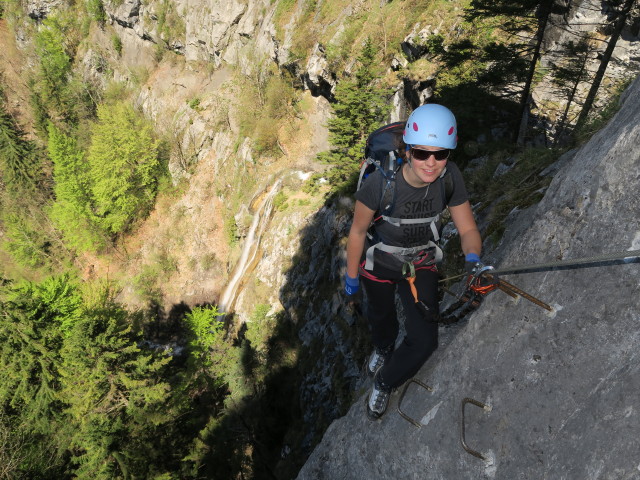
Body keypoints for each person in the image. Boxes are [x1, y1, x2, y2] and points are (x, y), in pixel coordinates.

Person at [344, 103, 488, 420]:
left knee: (424, 341)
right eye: (422, 153)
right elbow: (357, 232)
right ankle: (382, 349)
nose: (431, 163)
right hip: (377, 265)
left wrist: (473, 258)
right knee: (382, 320)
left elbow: (467, 228)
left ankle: (384, 381)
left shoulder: (449, 178)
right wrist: (352, 281)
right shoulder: (379, 184)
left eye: (441, 154)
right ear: (408, 150)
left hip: (419, 264)